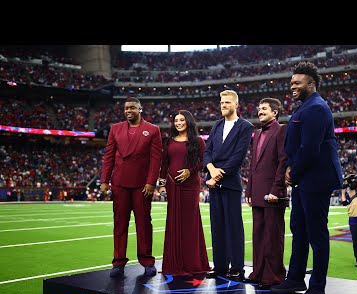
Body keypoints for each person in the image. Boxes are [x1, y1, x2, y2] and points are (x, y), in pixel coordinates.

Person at [271, 61, 343, 294]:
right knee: (299, 230)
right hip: (305, 178)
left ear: (310, 84)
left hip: (315, 178)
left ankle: (317, 289)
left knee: (316, 234)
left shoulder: (316, 108)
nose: (292, 86)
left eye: (297, 82)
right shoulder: (306, 106)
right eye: (291, 82)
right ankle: (295, 279)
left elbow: (310, 149)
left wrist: (293, 170)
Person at [100, 97, 162, 277]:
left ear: (140, 109)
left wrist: (151, 182)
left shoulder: (153, 130)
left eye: (132, 108)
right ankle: (118, 262)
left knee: (144, 224)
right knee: (120, 224)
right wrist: (105, 180)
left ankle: (147, 260)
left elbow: (156, 159)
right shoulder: (115, 129)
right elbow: (109, 156)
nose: (129, 111)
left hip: (142, 186)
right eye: (126, 108)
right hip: (119, 183)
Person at [203, 89, 254, 280]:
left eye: (226, 102)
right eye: (221, 102)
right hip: (213, 183)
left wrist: (215, 176)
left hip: (230, 183)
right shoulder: (216, 125)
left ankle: (237, 267)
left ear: (235, 104)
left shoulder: (245, 126)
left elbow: (237, 157)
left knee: (233, 226)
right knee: (217, 226)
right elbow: (207, 152)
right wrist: (210, 169)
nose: (223, 105)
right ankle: (220, 266)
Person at [158, 110, 211, 276]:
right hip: (173, 186)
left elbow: (203, 162)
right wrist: (162, 184)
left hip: (191, 186)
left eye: (182, 120)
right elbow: (164, 164)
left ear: (188, 121)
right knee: (173, 223)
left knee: (190, 224)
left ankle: (192, 264)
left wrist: (190, 171)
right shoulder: (169, 142)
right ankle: (174, 264)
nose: (178, 123)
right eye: (176, 120)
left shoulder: (198, 142)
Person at [244, 98, 288, 288]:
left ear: (275, 112)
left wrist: (276, 190)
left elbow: (283, 161)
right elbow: (253, 165)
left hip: (273, 193)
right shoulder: (256, 133)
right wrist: (249, 189)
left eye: (264, 109)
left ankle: (273, 276)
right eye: (259, 108)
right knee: (258, 236)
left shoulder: (281, 130)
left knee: (272, 236)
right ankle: (259, 272)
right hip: (258, 191)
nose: (260, 111)